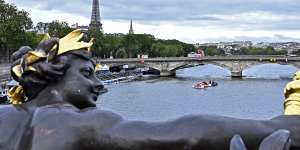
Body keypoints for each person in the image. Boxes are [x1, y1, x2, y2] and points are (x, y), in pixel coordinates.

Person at [1, 29, 300, 150]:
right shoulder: (75, 122)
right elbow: (189, 132)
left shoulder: (5, 116)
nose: (99, 85)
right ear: (55, 73)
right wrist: (276, 125)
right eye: (88, 73)